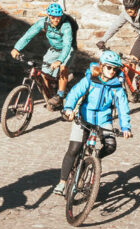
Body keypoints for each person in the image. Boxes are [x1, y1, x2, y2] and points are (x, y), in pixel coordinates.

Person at [53, 49, 132, 196]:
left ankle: (94, 160)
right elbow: (75, 93)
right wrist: (69, 108)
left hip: (104, 119)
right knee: (74, 149)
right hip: (84, 117)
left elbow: (123, 107)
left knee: (111, 146)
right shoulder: (90, 79)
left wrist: (125, 127)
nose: (112, 71)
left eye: (115, 69)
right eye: (109, 67)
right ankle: (62, 182)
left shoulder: (117, 87)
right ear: (101, 66)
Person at [10, 2, 77, 95]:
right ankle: (50, 96)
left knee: (63, 68)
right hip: (54, 49)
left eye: (58, 17)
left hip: (68, 49)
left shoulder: (66, 26)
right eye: (53, 17)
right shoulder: (43, 22)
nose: (56, 20)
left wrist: (59, 60)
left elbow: (67, 45)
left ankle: (60, 95)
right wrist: (16, 48)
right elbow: (29, 34)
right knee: (44, 74)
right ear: (49, 16)